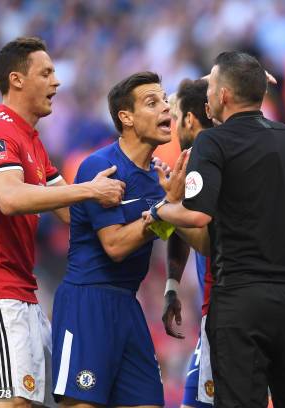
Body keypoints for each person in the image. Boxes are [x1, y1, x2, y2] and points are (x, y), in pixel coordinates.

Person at [143, 51, 285, 407]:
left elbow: (196, 217)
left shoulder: (212, 143)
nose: (208, 92)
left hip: (240, 298)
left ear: (224, 95)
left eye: (212, 85)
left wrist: (162, 209)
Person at [0, 37, 124, 408]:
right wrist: (89, 190)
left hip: (22, 292)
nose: (56, 82)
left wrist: (149, 209)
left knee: (45, 401)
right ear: (16, 80)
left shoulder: (30, 141)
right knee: (12, 401)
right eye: (46, 73)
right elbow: (11, 198)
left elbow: (69, 212)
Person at [50, 71, 188, 407]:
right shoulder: (100, 168)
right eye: (151, 103)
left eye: (165, 102)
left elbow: (171, 228)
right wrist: (162, 211)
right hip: (87, 302)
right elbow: (115, 246)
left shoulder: (159, 179)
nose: (165, 111)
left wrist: (172, 283)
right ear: (125, 117)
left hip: (128, 304)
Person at [162, 78, 215, 408]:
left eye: (174, 114)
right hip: (222, 312)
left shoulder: (206, 162)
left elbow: (206, 239)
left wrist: (164, 209)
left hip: (230, 308)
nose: (168, 120)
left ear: (191, 120)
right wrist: (172, 283)